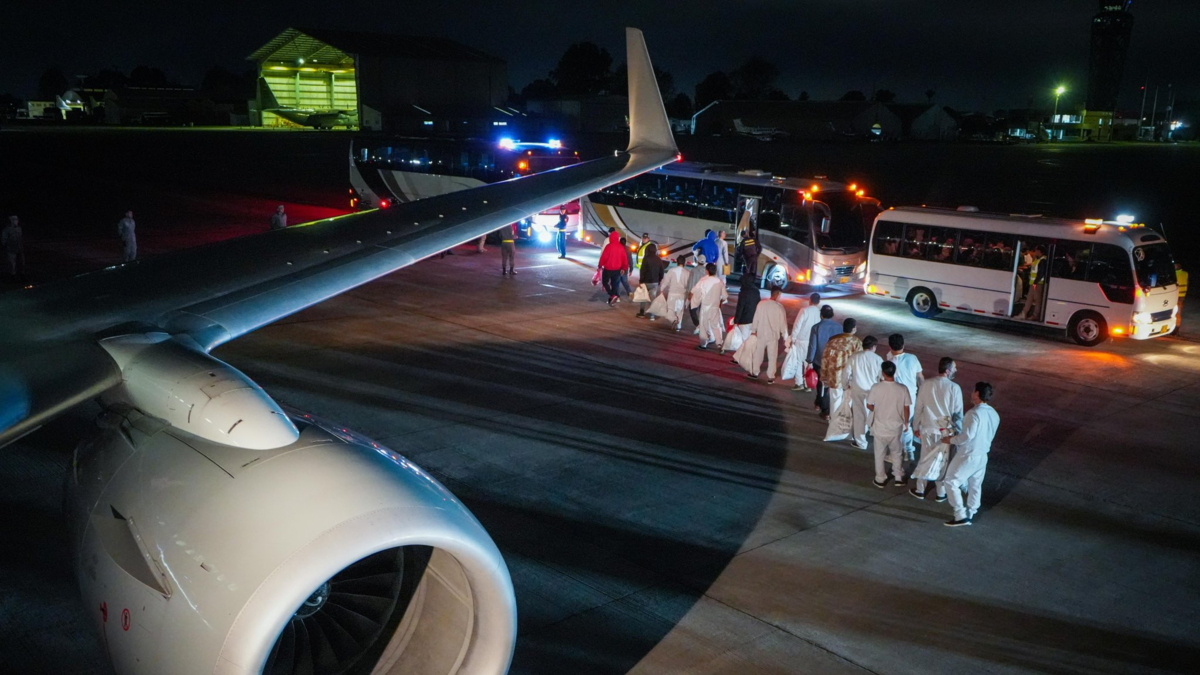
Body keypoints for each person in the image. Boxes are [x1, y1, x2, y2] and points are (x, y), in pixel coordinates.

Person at [942, 381, 1000, 527]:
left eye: (973, 390)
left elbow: (967, 436)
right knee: (975, 484)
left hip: (968, 454)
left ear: (977, 394)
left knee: (950, 481)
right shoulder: (994, 414)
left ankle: (960, 514)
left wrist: (950, 440)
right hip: (983, 455)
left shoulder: (973, 413)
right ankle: (971, 512)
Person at [910, 357, 964, 502]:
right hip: (946, 432)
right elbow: (958, 414)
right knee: (943, 461)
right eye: (954, 368)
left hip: (928, 429)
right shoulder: (954, 388)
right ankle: (941, 492)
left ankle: (920, 489)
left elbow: (918, 407)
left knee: (925, 458)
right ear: (947, 371)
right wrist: (959, 434)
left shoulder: (926, 384)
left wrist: (915, 426)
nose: (956, 370)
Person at [866, 361, 910, 488]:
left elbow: (869, 405)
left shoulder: (876, 387)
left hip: (880, 427)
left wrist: (878, 410)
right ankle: (898, 476)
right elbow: (906, 408)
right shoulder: (902, 388)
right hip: (896, 427)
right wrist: (906, 422)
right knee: (897, 453)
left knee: (879, 454)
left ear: (883, 373)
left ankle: (880, 478)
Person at [820, 318, 863, 437]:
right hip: (850, 378)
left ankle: (833, 426)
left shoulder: (832, 340)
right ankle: (844, 427)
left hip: (834, 376)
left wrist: (823, 374)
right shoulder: (856, 342)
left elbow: (825, 358)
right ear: (853, 329)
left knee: (835, 401)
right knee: (847, 402)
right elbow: (859, 361)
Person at [886, 333, 924, 457]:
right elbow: (920, 378)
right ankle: (909, 450)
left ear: (889, 346)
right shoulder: (913, 358)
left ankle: (902, 453)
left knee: (899, 427)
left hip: (897, 399)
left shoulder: (890, 362)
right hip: (912, 398)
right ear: (903, 345)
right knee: (907, 426)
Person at [846, 335, 883, 450]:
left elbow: (846, 372)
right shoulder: (878, 359)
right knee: (870, 413)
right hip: (872, 390)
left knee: (859, 415)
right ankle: (866, 432)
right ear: (874, 347)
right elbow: (881, 377)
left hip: (857, 389)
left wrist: (845, 385)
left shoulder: (854, 357)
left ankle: (861, 441)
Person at [805, 305, 841, 419]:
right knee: (829, 385)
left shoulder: (816, 327)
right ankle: (819, 402)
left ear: (821, 315)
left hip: (820, 360)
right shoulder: (839, 327)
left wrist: (809, 360)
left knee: (821, 384)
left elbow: (813, 346)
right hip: (834, 361)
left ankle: (825, 410)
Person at [747, 286, 788, 382]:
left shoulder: (761, 304)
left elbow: (756, 318)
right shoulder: (779, 307)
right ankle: (771, 376)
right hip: (773, 336)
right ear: (777, 294)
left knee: (758, 354)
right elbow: (783, 324)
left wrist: (753, 330)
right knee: (772, 356)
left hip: (761, 333)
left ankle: (755, 372)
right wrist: (785, 337)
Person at [690, 263, 727, 350]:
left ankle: (703, 344)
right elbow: (724, 297)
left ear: (706, 271)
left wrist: (693, 301)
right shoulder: (720, 282)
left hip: (705, 307)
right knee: (715, 325)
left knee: (704, 326)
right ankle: (719, 343)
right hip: (715, 307)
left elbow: (694, 291)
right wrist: (720, 302)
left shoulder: (703, 280)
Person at [789, 293, 822, 391]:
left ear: (809, 300)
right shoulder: (819, 313)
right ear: (818, 302)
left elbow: (797, 325)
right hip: (813, 342)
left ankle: (799, 383)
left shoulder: (804, 311)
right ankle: (808, 383)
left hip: (801, 340)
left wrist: (793, 338)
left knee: (799, 362)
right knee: (809, 363)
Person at [724, 273, 759, 355]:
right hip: (754, 318)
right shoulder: (756, 291)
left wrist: (736, 320)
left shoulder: (744, 292)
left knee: (743, 339)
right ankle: (747, 355)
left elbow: (740, 307)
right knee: (749, 338)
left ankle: (740, 357)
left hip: (744, 319)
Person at [660, 254, 690, 330]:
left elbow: (666, 281)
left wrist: (661, 289)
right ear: (685, 262)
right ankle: (678, 325)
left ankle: (673, 319)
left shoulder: (671, 270)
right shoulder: (687, 272)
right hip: (682, 294)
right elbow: (688, 285)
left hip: (672, 293)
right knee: (680, 310)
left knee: (670, 309)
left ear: (676, 262)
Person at [636, 241, 665, 319]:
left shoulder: (646, 259)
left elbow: (643, 271)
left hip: (646, 281)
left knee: (643, 297)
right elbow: (661, 271)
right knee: (653, 299)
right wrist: (659, 280)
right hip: (655, 282)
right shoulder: (658, 259)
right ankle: (652, 315)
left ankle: (642, 313)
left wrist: (641, 281)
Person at [597, 231, 627, 305]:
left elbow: (603, 257)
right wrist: (624, 268)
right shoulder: (621, 247)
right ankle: (612, 299)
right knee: (614, 284)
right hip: (617, 270)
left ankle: (612, 295)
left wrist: (600, 266)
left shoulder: (609, 246)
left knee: (605, 282)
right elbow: (624, 259)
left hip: (608, 269)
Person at [1019, 247, 1047, 320]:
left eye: (1036, 250)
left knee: (1037, 300)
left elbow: (1041, 273)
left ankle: (1035, 315)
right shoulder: (1038, 260)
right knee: (1030, 298)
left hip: (1037, 283)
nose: (1035, 252)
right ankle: (1024, 313)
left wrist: (1035, 282)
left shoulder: (1043, 260)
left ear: (1039, 251)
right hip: (1034, 283)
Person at [686, 254, 709, 333]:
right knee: (702, 310)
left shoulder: (693, 270)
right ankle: (702, 326)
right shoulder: (707, 271)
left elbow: (691, 283)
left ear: (697, 261)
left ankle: (697, 324)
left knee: (692, 310)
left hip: (695, 294)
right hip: (704, 294)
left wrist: (689, 293)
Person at [2, 215, 25, 281]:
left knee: (21, 263)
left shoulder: (19, 228)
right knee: (12, 264)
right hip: (11, 249)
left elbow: (20, 238)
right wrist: (6, 246)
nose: (16, 221)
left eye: (17, 220)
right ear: (11, 221)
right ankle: (13, 276)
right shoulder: (7, 229)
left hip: (19, 248)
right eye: (15, 220)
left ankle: (22, 275)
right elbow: (4, 240)